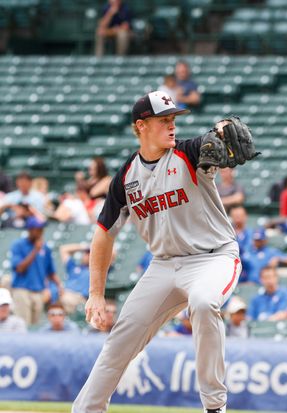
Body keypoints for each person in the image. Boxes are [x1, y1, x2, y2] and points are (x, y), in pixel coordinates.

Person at [72, 90, 245, 413]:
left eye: (173, 119)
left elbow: (213, 140)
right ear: (141, 126)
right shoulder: (125, 177)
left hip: (213, 257)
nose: (172, 126)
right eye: (164, 120)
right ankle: (86, 410)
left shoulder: (189, 153)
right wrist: (96, 293)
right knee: (121, 339)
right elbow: (103, 235)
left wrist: (221, 128)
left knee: (204, 302)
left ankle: (214, 406)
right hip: (164, 265)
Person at [10, 217, 63, 325]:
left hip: (39, 292)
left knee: (35, 329)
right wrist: (35, 250)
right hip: (21, 290)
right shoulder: (18, 245)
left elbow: (50, 272)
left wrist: (59, 285)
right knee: (23, 326)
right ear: (30, 229)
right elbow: (20, 268)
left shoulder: (45, 248)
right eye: (37, 229)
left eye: (41, 229)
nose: (40, 232)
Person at [59, 244, 92, 314]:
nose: (88, 256)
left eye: (91, 253)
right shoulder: (74, 267)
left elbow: (113, 253)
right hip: (66, 294)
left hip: (80, 298)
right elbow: (64, 249)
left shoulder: (98, 270)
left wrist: (97, 248)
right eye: (87, 253)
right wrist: (85, 247)